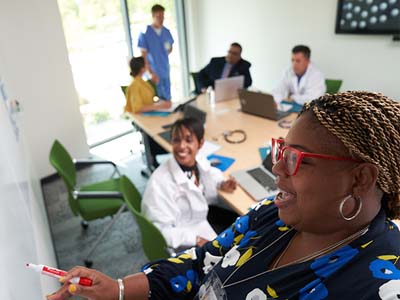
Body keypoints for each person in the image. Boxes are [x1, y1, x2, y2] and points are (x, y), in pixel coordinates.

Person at [48, 91, 400, 299]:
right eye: (280, 151)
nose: (277, 169)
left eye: (295, 159)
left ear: (360, 179)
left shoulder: (379, 286)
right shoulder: (271, 213)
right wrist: (119, 289)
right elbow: (203, 261)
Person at [142, 118, 238, 250]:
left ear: (200, 144)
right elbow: (159, 230)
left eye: (188, 140)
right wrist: (195, 239)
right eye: (176, 140)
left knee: (244, 223)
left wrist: (221, 183)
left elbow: (209, 171)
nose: (181, 146)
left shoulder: (197, 159)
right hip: (184, 238)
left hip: (201, 219)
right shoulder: (159, 183)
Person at [138, 4, 174, 101]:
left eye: (162, 16)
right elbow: (143, 55)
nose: (161, 19)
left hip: (165, 69)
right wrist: (150, 72)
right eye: (158, 17)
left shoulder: (166, 32)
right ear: (153, 16)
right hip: (153, 71)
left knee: (167, 98)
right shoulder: (145, 33)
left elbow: (170, 50)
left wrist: (167, 48)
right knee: (157, 99)